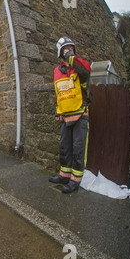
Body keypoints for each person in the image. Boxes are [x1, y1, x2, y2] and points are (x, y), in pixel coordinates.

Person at [49, 36, 91, 193]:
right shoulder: (56, 71)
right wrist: (57, 111)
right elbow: (58, 92)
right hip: (65, 115)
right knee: (64, 147)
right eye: (66, 49)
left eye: (71, 49)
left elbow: (85, 71)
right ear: (59, 53)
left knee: (78, 149)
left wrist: (71, 58)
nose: (69, 51)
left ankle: (75, 180)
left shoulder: (80, 65)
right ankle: (64, 175)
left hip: (80, 113)